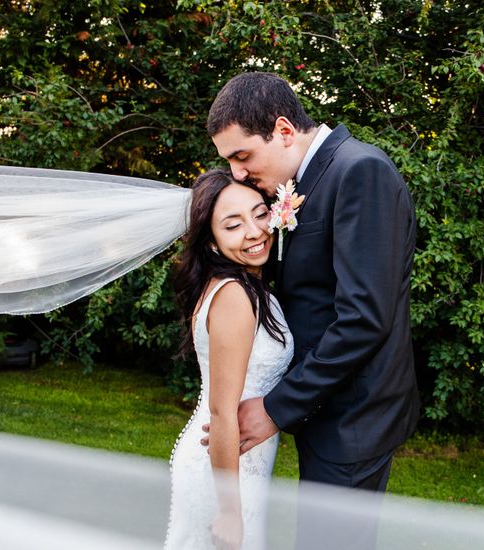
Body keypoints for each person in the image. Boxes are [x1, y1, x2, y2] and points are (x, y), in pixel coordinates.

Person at [205, 71, 421, 547]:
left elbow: (363, 319)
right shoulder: (307, 181)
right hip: (326, 410)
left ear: (284, 131)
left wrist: (277, 408)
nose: (238, 173)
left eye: (242, 156)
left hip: (353, 418)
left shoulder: (359, 171)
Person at [164, 169, 293, 550]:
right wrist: (230, 510)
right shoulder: (234, 296)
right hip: (222, 472)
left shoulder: (251, 286)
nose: (254, 231)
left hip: (241, 462)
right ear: (213, 244)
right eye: (234, 225)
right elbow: (222, 412)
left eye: (259, 214)